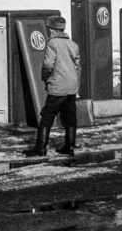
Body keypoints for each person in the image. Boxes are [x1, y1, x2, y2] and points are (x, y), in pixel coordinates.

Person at [24, 15, 81, 157]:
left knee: (47, 116)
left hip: (58, 85)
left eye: (49, 29)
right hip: (71, 86)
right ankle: (69, 147)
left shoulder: (52, 43)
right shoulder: (73, 44)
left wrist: (45, 78)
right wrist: (75, 83)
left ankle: (40, 148)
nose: (48, 31)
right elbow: (78, 67)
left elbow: (48, 64)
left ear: (53, 30)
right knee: (70, 117)